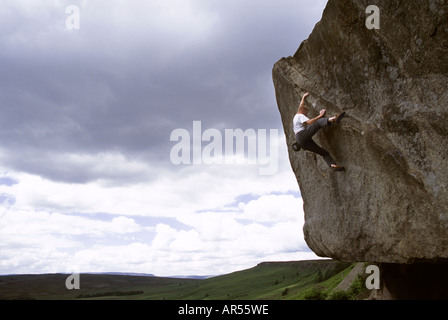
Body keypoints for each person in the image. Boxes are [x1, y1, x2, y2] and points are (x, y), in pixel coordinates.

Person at [293, 92, 346, 171]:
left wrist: (303, 98)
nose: (306, 115)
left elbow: (301, 106)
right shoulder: (300, 116)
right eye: (306, 113)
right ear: (303, 111)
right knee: (318, 123)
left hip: (301, 142)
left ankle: (332, 165)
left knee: (323, 153)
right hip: (301, 135)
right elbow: (310, 122)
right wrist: (320, 115)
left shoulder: (296, 116)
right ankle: (334, 118)